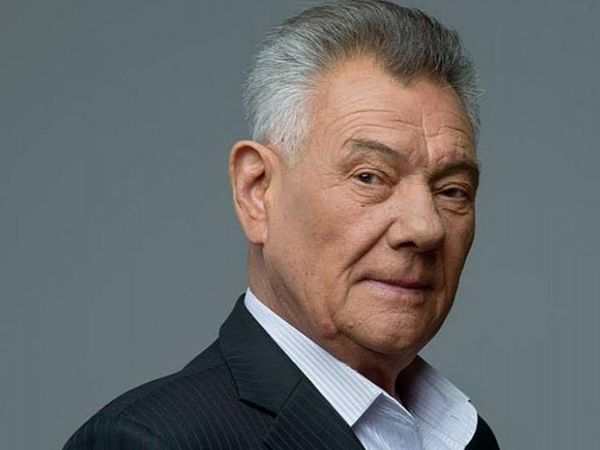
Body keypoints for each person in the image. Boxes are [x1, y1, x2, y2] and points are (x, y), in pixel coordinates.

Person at [63, 1, 500, 448]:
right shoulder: (150, 441)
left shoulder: (467, 438)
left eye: (452, 191)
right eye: (369, 177)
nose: (425, 228)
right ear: (257, 191)